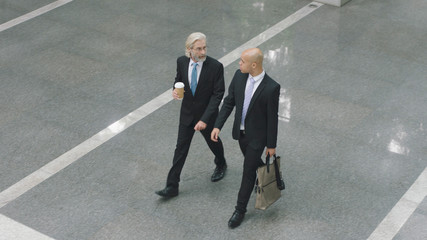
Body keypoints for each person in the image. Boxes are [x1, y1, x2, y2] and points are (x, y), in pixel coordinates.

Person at [211, 48, 280, 228]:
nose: (239, 64)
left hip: (258, 138)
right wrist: (218, 125)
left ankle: (240, 210)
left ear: (254, 65)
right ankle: (265, 173)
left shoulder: (271, 87)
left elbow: (273, 119)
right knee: (253, 164)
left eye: (242, 61)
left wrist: (271, 145)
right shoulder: (239, 76)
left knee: (247, 171)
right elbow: (229, 102)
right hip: (241, 135)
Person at [156, 32, 227, 198]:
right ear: (189, 49)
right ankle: (172, 186)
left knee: (214, 143)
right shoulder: (181, 62)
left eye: (204, 48)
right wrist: (175, 90)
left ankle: (221, 163)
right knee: (180, 149)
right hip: (187, 113)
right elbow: (178, 80)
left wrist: (204, 119)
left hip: (207, 115)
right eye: (198, 49)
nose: (203, 52)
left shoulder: (215, 67)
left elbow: (218, 95)